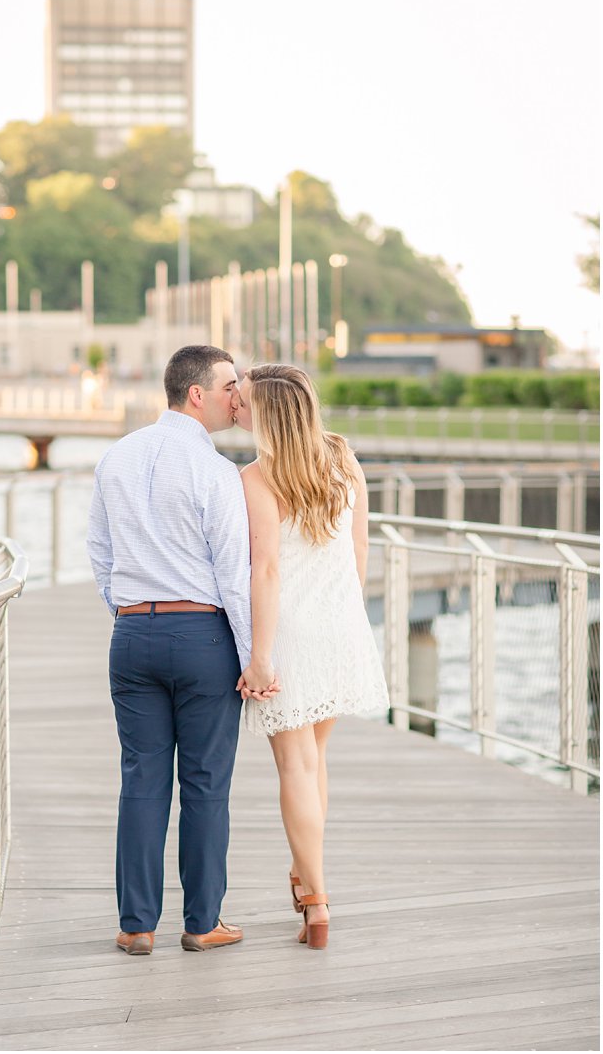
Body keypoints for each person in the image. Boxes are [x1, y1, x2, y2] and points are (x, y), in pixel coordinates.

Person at [86, 344, 258, 956]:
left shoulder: (116, 457)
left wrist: (130, 613)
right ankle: (202, 921)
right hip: (203, 635)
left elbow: (99, 554)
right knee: (206, 784)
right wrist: (251, 654)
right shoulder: (215, 473)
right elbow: (233, 575)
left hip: (132, 637)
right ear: (197, 394)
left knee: (142, 781)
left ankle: (136, 925)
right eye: (230, 384)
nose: (238, 394)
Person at [233, 363, 388, 951]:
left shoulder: (256, 478)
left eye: (244, 402)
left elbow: (266, 569)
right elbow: (360, 546)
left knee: (295, 766)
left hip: (291, 631)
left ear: (267, 412)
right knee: (316, 759)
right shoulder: (343, 459)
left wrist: (261, 656)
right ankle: (303, 877)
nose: (238, 409)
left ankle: (318, 901)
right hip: (340, 624)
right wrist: (351, 615)